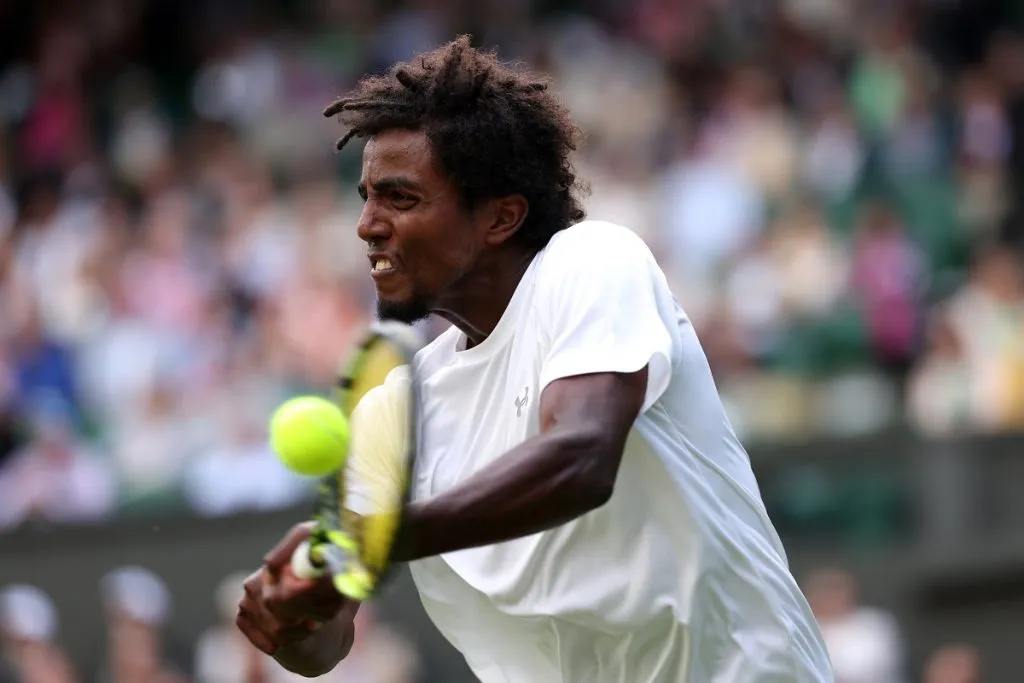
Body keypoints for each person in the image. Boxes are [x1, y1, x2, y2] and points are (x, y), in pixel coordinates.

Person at [236, 36, 834, 683]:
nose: (367, 224)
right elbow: (326, 645)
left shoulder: (592, 262)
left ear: (500, 218)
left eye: (400, 198)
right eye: (367, 197)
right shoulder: (394, 410)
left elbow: (581, 455)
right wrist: (292, 611)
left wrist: (372, 540)